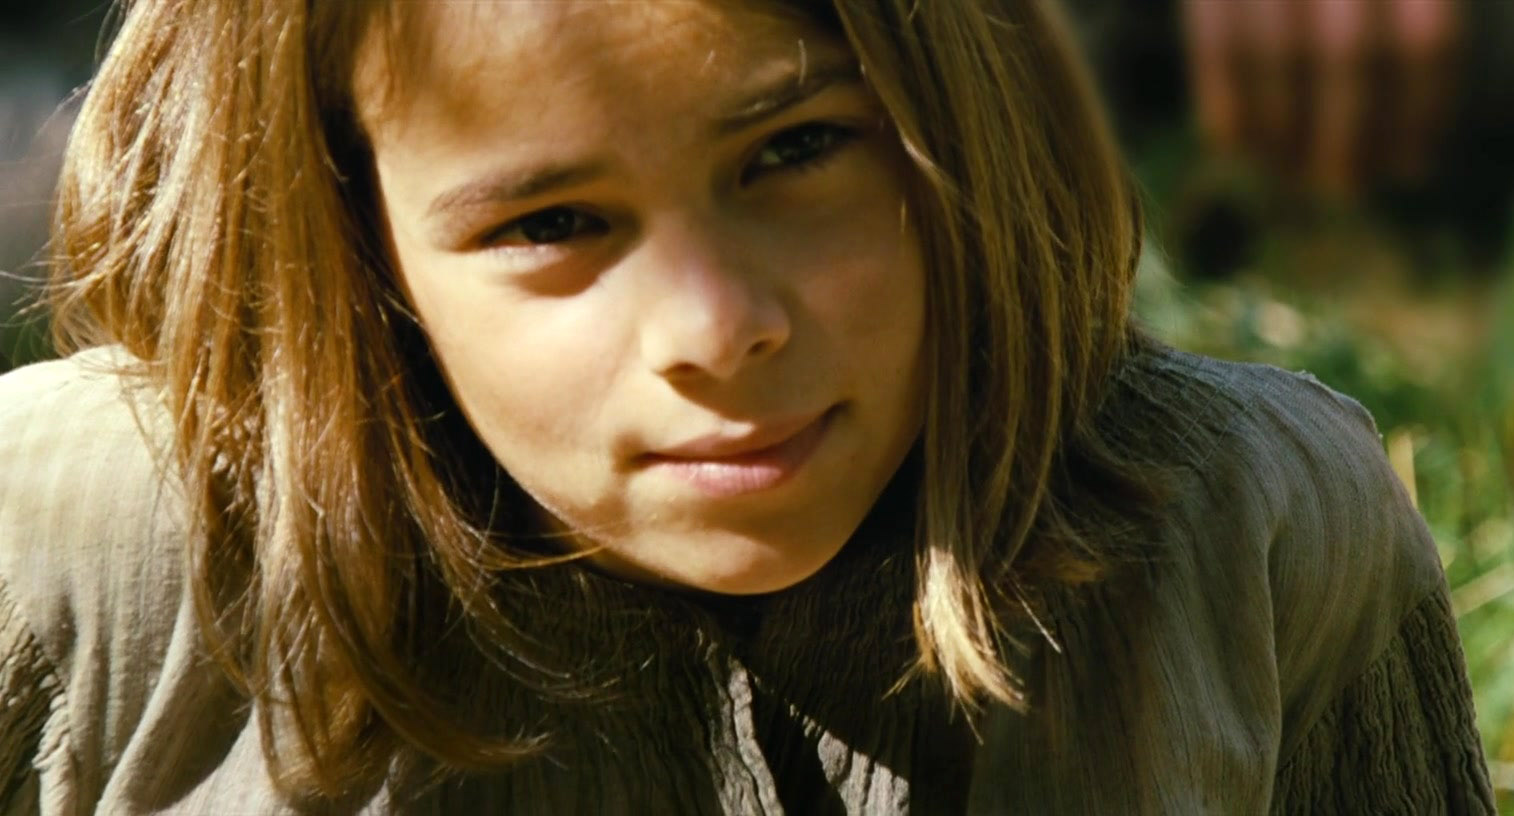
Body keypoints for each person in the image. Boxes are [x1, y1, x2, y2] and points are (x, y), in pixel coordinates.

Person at [0, 0, 1495, 812]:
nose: (718, 330)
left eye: (794, 152)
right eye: (551, 225)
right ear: (351, 244)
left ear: (957, 124)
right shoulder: (87, 549)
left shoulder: (1251, 526)